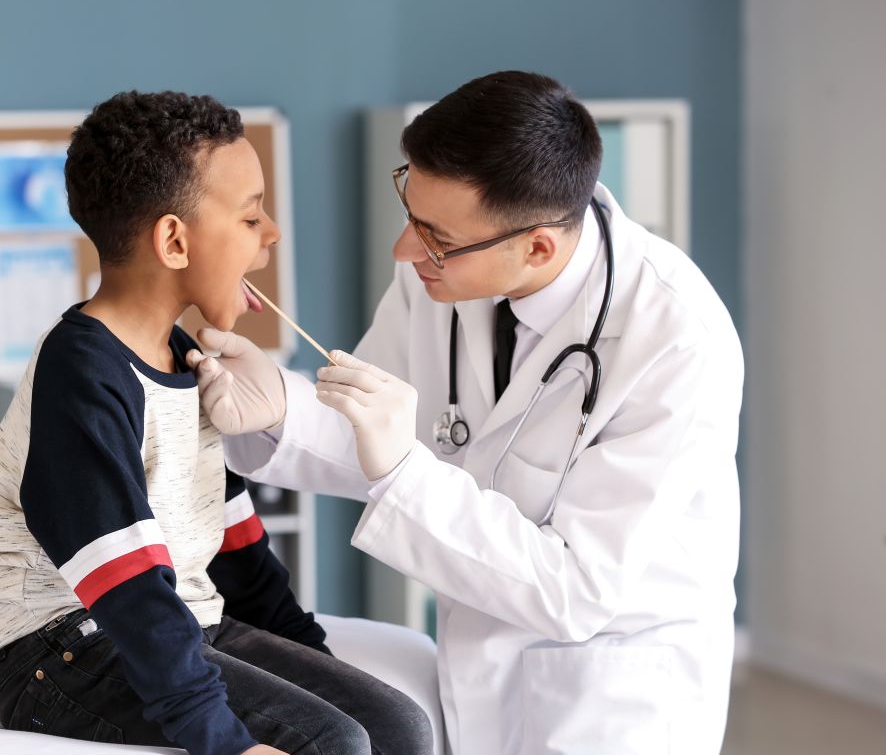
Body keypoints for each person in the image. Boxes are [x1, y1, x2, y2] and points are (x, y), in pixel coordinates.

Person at [188, 71, 744, 754]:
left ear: (537, 245)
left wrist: (402, 469)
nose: (403, 250)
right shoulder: (442, 266)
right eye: (410, 213)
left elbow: (576, 590)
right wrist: (280, 406)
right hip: (477, 660)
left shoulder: (674, 337)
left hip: (611, 687)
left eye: (434, 236)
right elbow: (372, 423)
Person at [0, 90, 433, 755]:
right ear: (174, 241)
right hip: (59, 648)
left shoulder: (191, 360)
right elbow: (125, 586)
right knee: (335, 742)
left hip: (181, 622)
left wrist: (320, 671)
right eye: (250, 217)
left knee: (397, 725)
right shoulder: (82, 373)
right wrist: (222, 740)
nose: (271, 234)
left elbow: (235, 552)